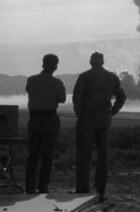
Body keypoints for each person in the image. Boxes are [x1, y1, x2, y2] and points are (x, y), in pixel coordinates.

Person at [73, 52, 126, 201]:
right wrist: (113, 111)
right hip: (104, 118)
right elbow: (122, 96)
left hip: (87, 118)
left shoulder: (84, 77)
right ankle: (100, 189)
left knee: (84, 154)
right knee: (103, 155)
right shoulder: (111, 78)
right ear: (102, 62)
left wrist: (80, 113)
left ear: (91, 62)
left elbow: (76, 97)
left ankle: (82, 188)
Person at [25, 54, 66, 194]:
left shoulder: (31, 80)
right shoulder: (56, 82)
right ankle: (42, 187)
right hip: (49, 119)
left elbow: (28, 91)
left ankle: (29, 187)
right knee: (47, 156)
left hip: (34, 119)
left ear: (43, 64)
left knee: (33, 155)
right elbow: (62, 99)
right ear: (54, 66)